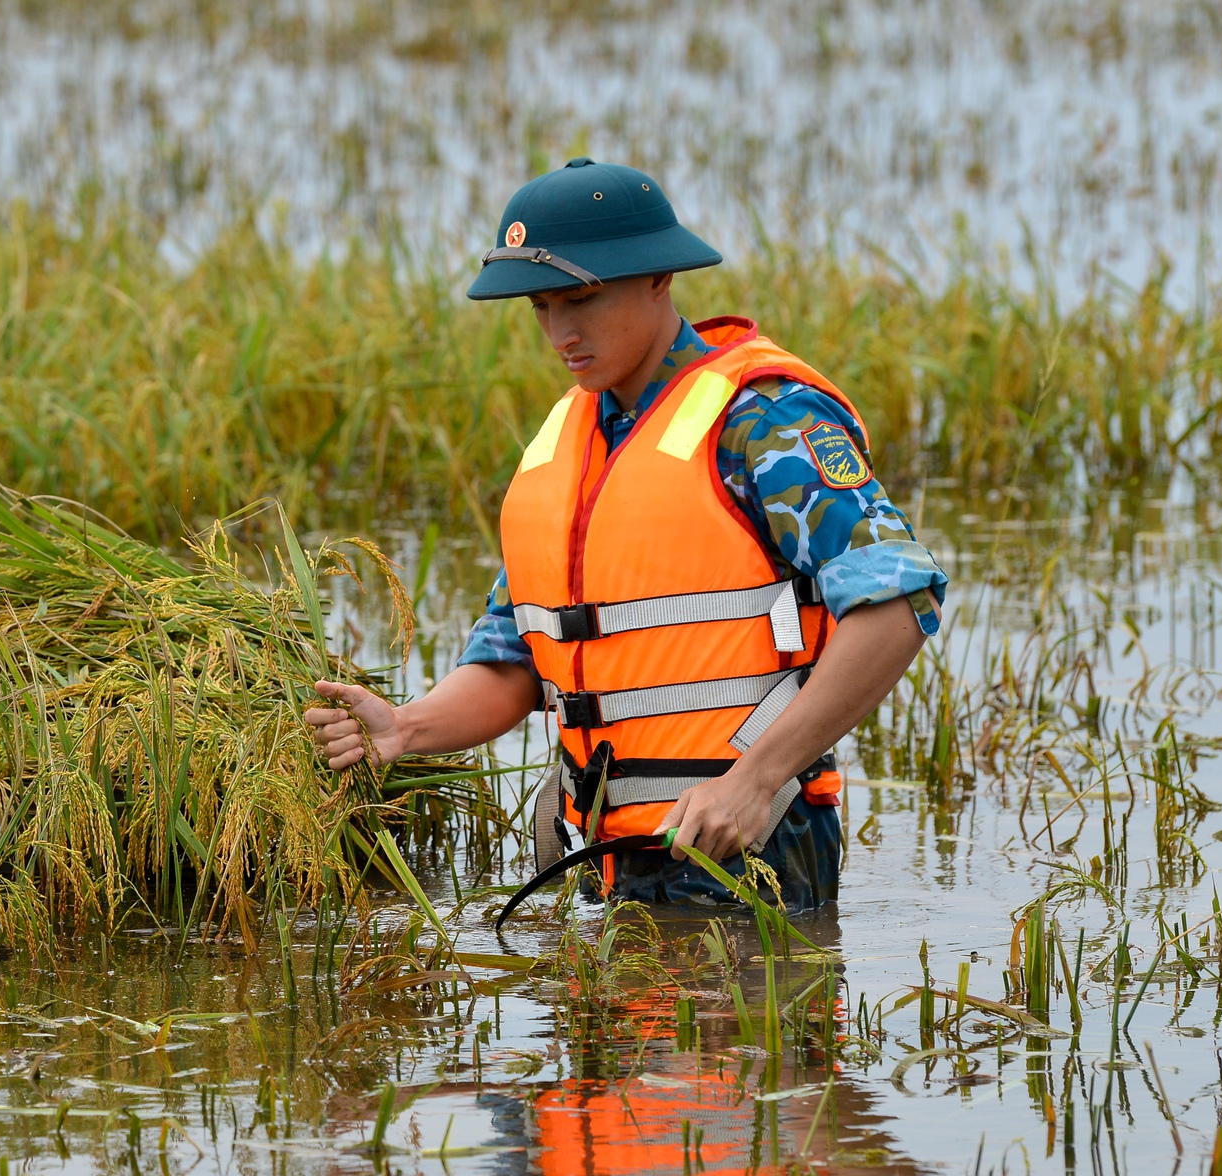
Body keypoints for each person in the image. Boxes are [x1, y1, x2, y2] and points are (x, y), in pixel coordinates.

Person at [306, 159, 946, 908]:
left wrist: (757, 778)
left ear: (658, 278)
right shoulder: (566, 447)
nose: (559, 332)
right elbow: (515, 658)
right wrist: (406, 727)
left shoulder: (762, 421)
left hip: (747, 851)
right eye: (541, 306)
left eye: (580, 298)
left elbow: (900, 602)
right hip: (613, 860)